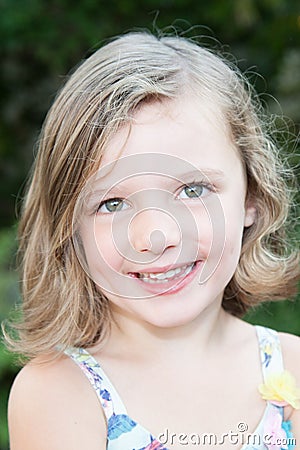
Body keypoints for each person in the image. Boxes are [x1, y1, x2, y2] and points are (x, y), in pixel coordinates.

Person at [5, 30, 300, 449]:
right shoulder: (59, 394)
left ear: (251, 195)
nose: (155, 236)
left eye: (193, 190)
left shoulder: (292, 370)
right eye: (111, 204)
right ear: (70, 227)